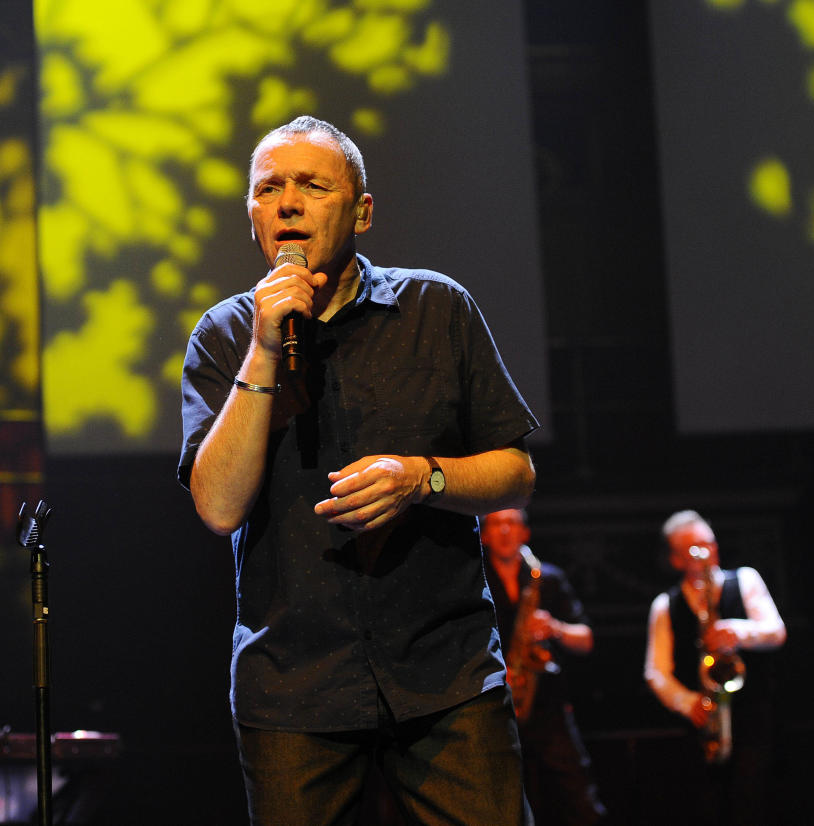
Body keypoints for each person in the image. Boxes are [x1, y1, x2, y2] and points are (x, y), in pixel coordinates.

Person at [178, 115, 539, 825]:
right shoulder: (223, 335)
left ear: (361, 211)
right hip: (293, 687)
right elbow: (218, 507)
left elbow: (515, 470)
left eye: (312, 185)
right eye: (268, 189)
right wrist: (261, 350)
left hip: (445, 675)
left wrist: (422, 478)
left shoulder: (436, 309)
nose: (287, 203)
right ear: (251, 213)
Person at [643, 510, 786, 826]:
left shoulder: (745, 579)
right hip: (701, 722)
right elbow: (656, 671)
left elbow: (776, 631)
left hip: (752, 716)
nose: (707, 554)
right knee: (706, 807)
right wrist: (687, 702)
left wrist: (736, 631)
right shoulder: (665, 605)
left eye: (710, 544)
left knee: (752, 802)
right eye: (696, 549)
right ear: (677, 560)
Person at [481, 508, 606, 826]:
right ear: (483, 535)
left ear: (526, 532)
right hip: (496, 705)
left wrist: (554, 628)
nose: (505, 531)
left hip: (546, 703)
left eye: (512, 523)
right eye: (496, 524)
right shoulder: (475, 583)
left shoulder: (546, 578)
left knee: (577, 795)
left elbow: (587, 639)